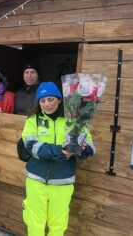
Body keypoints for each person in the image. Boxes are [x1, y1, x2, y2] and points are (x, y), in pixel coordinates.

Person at [21, 82, 96, 236]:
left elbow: (91, 147)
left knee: (58, 224)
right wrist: (60, 151)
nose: (47, 104)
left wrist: (83, 149)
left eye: (50, 99)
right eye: (42, 101)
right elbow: (32, 146)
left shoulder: (74, 120)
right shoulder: (32, 121)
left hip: (62, 181)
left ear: (60, 100)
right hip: (36, 179)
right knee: (35, 221)